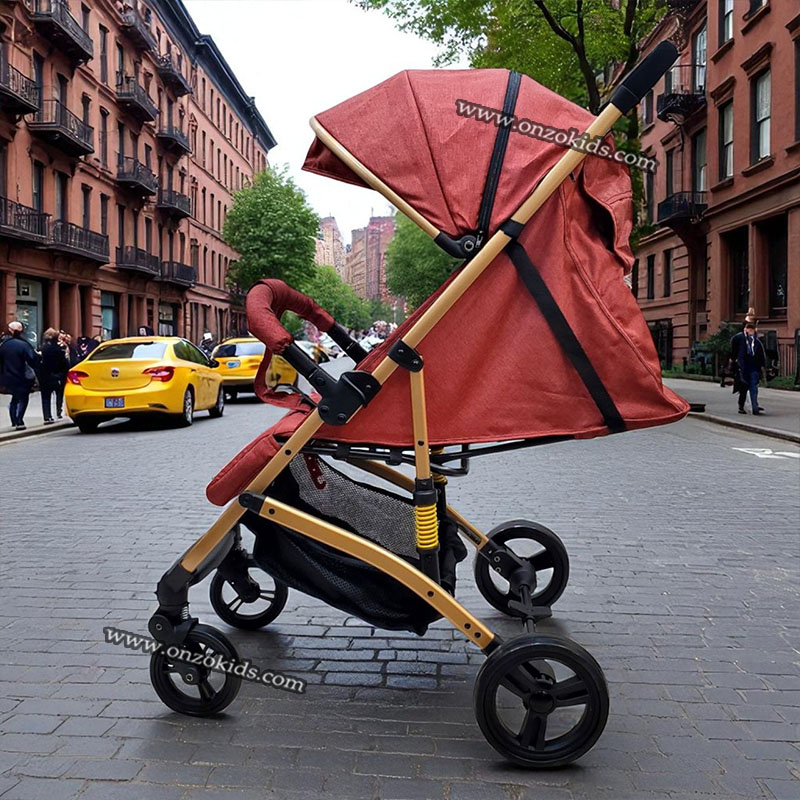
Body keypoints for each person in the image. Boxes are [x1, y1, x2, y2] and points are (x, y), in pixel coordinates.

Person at [0, 321, 39, 430]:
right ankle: (19, 420)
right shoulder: (24, 345)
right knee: (22, 398)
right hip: (22, 376)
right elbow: (32, 359)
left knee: (14, 399)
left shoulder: (4, 345)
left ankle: (14, 420)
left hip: (8, 376)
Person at [730, 317, 766, 415]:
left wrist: (763, 366)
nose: (751, 331)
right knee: (744, 387)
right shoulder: (739, 338)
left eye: (752, 330)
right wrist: (734, 360)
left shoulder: (757, 342)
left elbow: (761, 354)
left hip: (754, 367)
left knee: (754, 387)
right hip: (743, 366)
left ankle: (755, 407)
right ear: (745, 329)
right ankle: (741, 406)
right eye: (749, 329)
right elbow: (733, 349)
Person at [38, 327, 70, 424]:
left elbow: (38, 363)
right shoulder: (59, 349)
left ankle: (47, 416)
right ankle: (58, 411)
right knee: (59, 394)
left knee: (46, 397)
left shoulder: (42, 349)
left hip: (45, 376)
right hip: (58, 375)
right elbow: (65, 364)